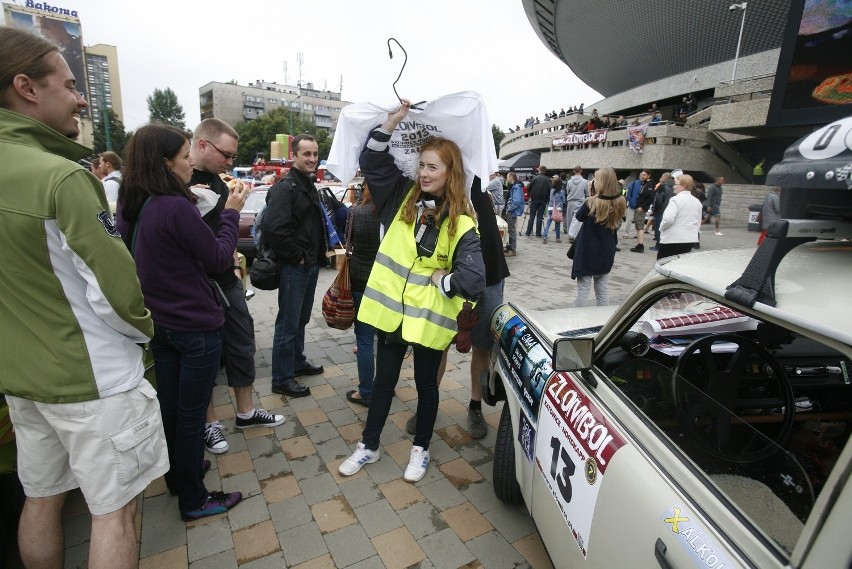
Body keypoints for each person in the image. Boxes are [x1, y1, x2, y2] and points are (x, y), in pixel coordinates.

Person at [0, 27, 169, 568]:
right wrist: (147, 333)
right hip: (93, 379)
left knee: (41, 497)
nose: (79, 97)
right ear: (26, 87)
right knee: (114, 511)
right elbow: (118, 293)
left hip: (22, 379)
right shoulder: (61, 177)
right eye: (70, 85)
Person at [339, 100, 485, 483]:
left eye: (432, 167)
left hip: (427, 323)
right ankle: (369, 446)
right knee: (383, 384)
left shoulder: (462, 221)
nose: (423, 173)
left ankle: (420, 450)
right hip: (391, 317)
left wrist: (444, 280)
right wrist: (390, 124)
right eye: (421, 165)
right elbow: (371, 163)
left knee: (425, 388)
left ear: (450, 173)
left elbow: (474, 278)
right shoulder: (400, 197)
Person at [116, 123, 248, 522]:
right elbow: (219, 258)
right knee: (190, 415)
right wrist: (230, 215)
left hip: (163, 324)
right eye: (185, 154)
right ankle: (194, 499)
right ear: (166, 161)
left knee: (172, 408)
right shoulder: (174, 206)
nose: (191, 162)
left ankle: (179, 474)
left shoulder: (134, 203)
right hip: (195, 326)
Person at [190, 119, 285, 458]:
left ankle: (245, 412)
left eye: (232, 156)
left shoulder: (219, 181)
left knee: (242, 341)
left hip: (226, 277)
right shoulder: (179, 183)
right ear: (202, 145)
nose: (230, 162)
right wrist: (229, 212)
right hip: (197, 282)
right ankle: (209, 422)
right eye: (226, 155)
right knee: (205, 355)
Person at [265, 134, 326, 397]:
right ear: (294, 156)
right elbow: (275, 230)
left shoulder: (307, 184)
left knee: (300, 319)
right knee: (288, 323)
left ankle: (296, 362)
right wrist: (297, 257)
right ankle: (281, 378)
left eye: (315, 154)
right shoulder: (285, 187)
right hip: (295, 267)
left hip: (309, 264)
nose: (312, 159)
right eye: (306, 154)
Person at [346, 185, 381, 406]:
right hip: (386, 282)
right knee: (386, 341)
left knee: (365, 340)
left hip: (360, 278)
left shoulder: (356, 211)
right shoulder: (393, 212)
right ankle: (384, 387)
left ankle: (366, 391)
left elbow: (347, 242)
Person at [571, 167, 626, 307]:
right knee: (602, 290)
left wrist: (591, 194)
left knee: (583, 289)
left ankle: (577, 320)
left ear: (600, 182)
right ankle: (603, 320)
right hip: (607, 248)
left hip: (588, 250)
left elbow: (579, 216)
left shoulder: (591, 201)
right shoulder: (620, 201)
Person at [657, 174, 703, 260]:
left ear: (683, 186)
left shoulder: (675, 200)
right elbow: (698, 223)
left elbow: (668, 219)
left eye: (676, 184)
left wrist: (661, 228)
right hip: (688, 240)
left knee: (662, 264)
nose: (673, 186)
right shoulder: (697, 202)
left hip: (671, 239)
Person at [628, 170, 655, 253]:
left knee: (640, 227)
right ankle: (639, 245)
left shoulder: (649, 185)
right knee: (638, 226)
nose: (642, 176)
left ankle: (640, 245)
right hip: (638, 207)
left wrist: (643, 207)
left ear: (648, 176)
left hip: (641, 208)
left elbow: (651, 197)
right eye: (641, 174)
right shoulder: (644, 184)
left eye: (644, 175)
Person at [650, 172, 674, 251]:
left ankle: (658, 245)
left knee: (658, 228)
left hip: (660, 211)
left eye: (661, 177)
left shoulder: (662, 187)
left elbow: (658, 200)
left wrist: (654, 209)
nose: (660, 178)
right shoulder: (674, 187)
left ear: (665, 178)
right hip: (671, 211)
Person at [525, 165, 551, 237]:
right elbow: (550, 189)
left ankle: (528, 232)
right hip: (543, 200)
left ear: (539, 170)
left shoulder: (535, 178)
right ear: (545, 171)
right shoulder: (548, 179)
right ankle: (538, 233)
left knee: (532, 216)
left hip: (534, 199)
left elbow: (529, 188)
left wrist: (530, 194)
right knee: (540, 216)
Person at [564, 165, 588, 237]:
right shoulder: (585, 181)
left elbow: (567, 191)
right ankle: (574, 235)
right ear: (581, 171)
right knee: (577, 220)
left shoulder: (569, 182)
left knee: (570, 219)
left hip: (570, 202)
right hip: (580, 202)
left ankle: (570, 234)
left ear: (574, 171)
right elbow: (587, 193)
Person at [504, 172, 524, 257]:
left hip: (512, 212)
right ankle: (510, 246)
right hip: (511, 211)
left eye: (507, 177)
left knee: (511, 230)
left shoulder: (516, 187)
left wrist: (509, 209)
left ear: (511, 177)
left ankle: (512, 249)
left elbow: (516, 201)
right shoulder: (514, 186)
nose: (506, 179)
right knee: (510, 229)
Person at [542, 175, 565, 243]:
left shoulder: (552, 190)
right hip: (558, 209)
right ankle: (557, 238)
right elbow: (563, 200)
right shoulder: (561, 191)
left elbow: (550, 199)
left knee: (548, 223)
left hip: (550, 208)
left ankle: (545, 236)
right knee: (557, 224)